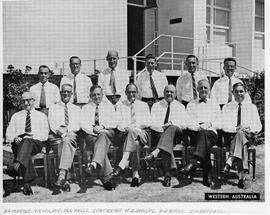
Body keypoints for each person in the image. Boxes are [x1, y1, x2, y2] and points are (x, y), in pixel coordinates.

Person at [5, 91, 49, 195]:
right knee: (24, 147)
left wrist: (30, 137)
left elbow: (45, 135)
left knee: (27, 141)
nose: (26, 103)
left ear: (34, 101)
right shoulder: (16, 116)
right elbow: (8, 134)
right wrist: (14, 137)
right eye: (24, 100)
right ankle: (27, 182)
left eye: (28, 100)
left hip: (35, 143)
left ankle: (17, 162)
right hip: (18, 144)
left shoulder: (41, 116)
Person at [180, 79, 221, 189]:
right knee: (203, 142)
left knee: (205, 137)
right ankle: (205, 176)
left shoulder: (215, 104)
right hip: (195, 132)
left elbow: (220, 122)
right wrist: (197, 127)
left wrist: (209, 124)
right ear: (197, 89)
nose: (203, 89)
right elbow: (186, 121)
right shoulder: (191, 104)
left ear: (209, 90)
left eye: (205, 87)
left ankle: (193, 162)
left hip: (211, 132)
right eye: (201, 87)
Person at [143, 84, 186, 187]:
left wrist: (171, 124)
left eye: (171, 92)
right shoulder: (156, 106)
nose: (169, 94)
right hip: (159, 134)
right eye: (167, 91)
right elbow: (151, 123)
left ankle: (156, 152)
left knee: (171, 128)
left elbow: (184, 124)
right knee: (166, 143)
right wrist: (162, 128)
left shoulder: (180, 106)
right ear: (163, 93)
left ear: (175, 94)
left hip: (176, 135)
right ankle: (168, 175)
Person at [221, 82, 262, 189]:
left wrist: (249, 128)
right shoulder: (227, 107)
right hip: (231, 137)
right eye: (236, 91)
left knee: (241, 135)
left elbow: (259, 126)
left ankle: (230, 160)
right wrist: (236, 129)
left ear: (245, 92)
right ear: (232, 93)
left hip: (248, 137)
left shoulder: (252, 107)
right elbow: (223, 126)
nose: (239, 94)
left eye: (241, 91)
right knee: (239, 135)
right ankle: (241, 178)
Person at [111, 83, 151, 187]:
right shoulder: (120, 105)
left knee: (133, 133)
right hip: (125, 134)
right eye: (129, 92)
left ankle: (123, 162)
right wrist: (126, 128)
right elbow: (117, 123)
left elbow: (147, 122)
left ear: (137, 93)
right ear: (125, 93)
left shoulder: (143, 105)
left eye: (133, 92)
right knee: (135, 143)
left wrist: (134, 128)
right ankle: (135, 173)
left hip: (142, 133)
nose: (131, 94)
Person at [81, 86, 118, 191]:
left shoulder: (108, 107)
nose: (96, 97)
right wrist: (93, 130)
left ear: (102, 95)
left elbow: (114, 122)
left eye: (98, 94)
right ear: (90, 95)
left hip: (107, 133)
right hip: (92, 135)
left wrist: (102, 127)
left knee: (102, 136)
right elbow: (83, 124)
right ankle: (107, 179)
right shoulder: (85, 108)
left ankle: (93, 164)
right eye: (94, 95)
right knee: (100, 147)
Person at [48, 84, 81, 191]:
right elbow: (52, 125)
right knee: (64, 143)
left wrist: (66, 131)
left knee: (66, 141)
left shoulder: (76, 109)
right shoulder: (53, 107)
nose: (66, 93)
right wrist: (61, 134)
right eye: (64, 91)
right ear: (60, 93)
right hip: (56, 136)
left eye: (68, 92)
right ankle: (65, 179)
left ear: (71, 94)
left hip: (71, 135)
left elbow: (78, 125)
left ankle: (62, 175)